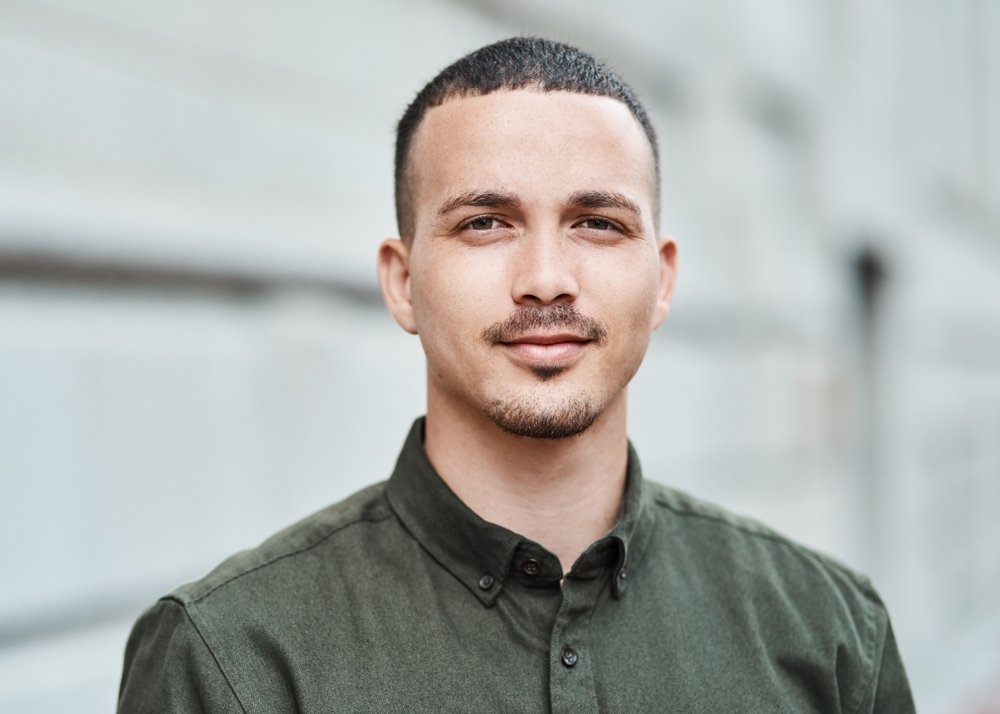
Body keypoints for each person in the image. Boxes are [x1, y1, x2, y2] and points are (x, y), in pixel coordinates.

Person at [118, 37, 915, 712]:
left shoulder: (830, 633)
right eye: (486, 223)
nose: (545, 279)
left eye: (597, 224)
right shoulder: (231, 658)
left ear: (663, 278)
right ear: (402, 282)